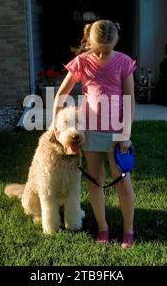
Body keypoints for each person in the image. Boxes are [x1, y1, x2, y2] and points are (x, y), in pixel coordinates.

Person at [52, 20, 136, 248]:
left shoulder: (123, 62)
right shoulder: (82, 61)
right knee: (95, 179)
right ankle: (103, 228)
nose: (102, 53)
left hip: (117, 132)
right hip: (90, 131)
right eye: (99, 49)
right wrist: (54, 125)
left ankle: (129, 230)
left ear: (116, 41)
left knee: (122, 181)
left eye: (107, 49)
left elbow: (129, 100)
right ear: (90, 41)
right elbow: (61, 94)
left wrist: (125, 133)